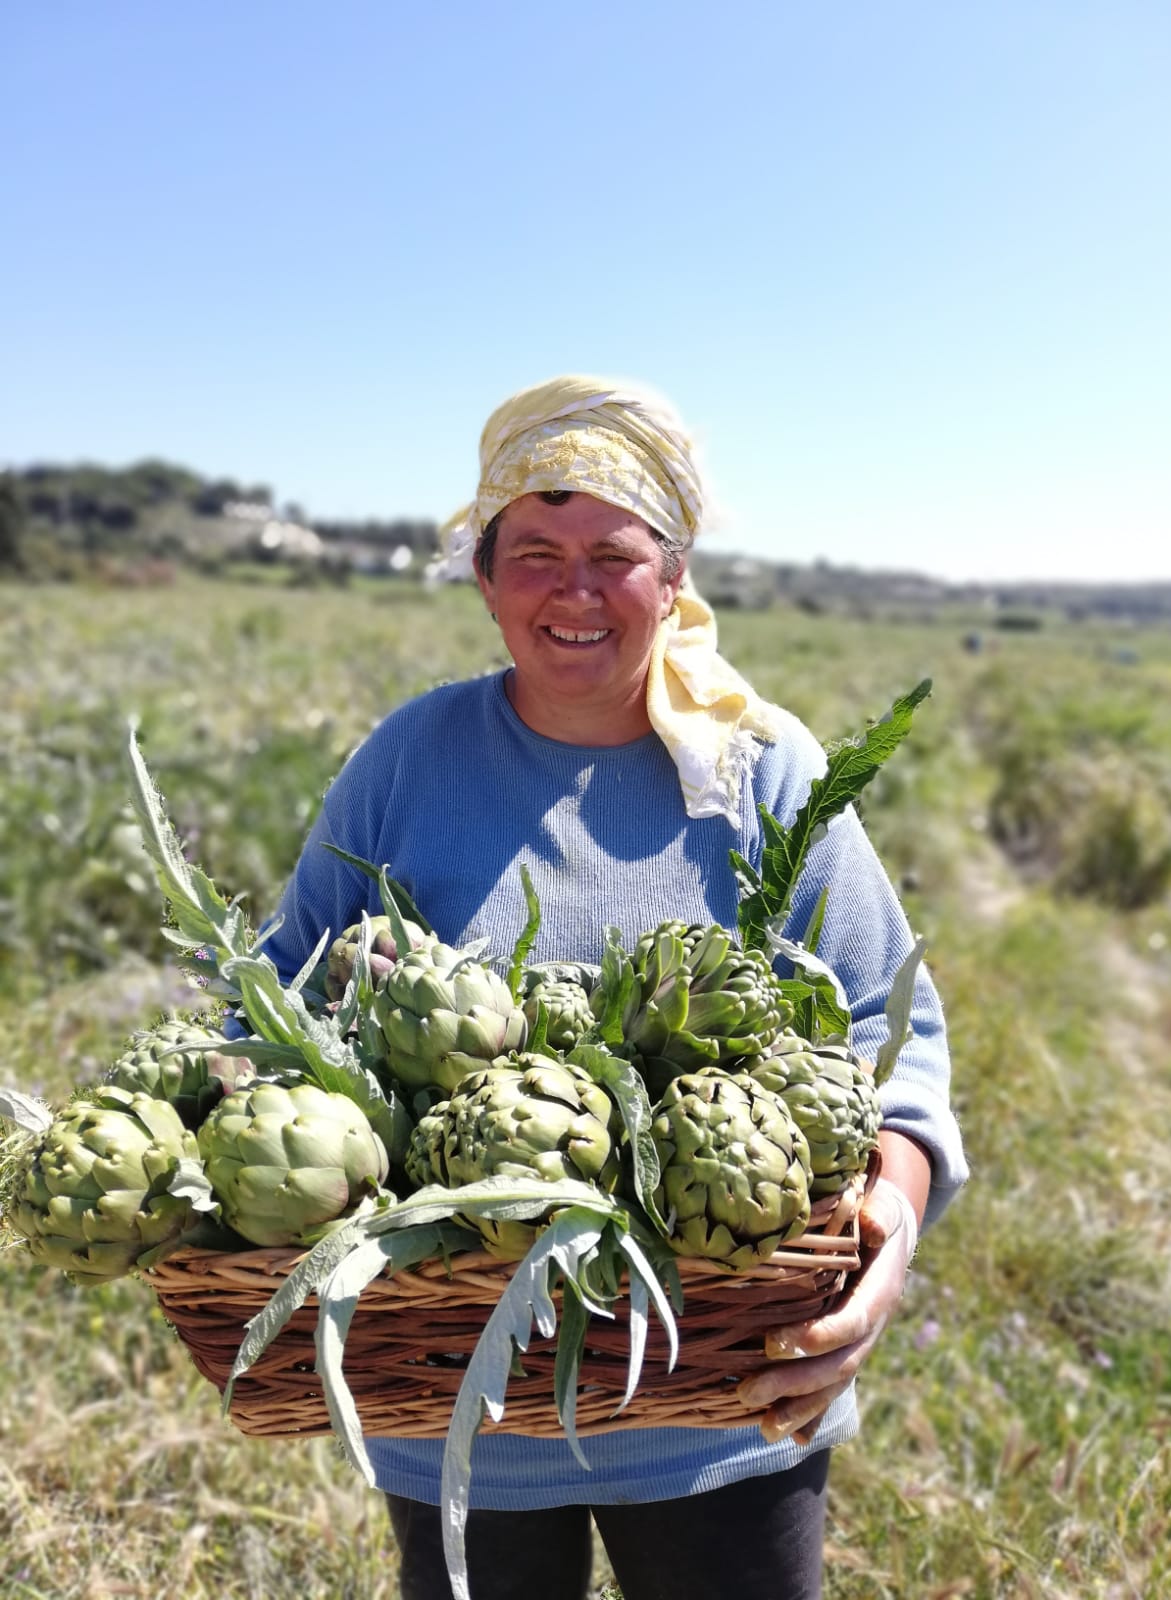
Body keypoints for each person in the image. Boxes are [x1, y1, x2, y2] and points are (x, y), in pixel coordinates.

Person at [261, 376, 968, 1600]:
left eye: (614, 555)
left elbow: (889, 1036)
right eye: (533, 553)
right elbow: (271, 994)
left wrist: (888, 1237)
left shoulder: (761, 767)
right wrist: (301, 1037)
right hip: (457, 1409)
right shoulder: (405, 761)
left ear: (675, 576)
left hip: (727, 1402)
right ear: (483, 579)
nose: (573, 591)